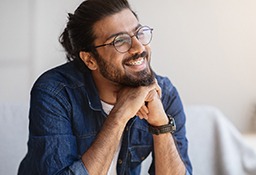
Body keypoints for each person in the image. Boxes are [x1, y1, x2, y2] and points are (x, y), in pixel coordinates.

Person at [18, 0, 192, 174]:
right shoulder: (55, 92)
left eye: (138, 33)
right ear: (90, 60)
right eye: (120, 41)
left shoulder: (163, 94)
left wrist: (160, 125)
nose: (139, 48)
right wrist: (119, 115)